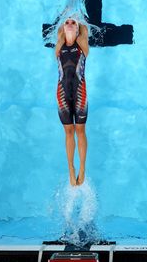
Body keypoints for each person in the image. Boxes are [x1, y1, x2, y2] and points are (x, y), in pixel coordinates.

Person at [55, 16, 90, 186]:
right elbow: (61, 28)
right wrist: (67, 17)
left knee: (80, 131)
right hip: (62, 95)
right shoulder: (59, 45)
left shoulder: (82, 44)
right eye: (66, 22)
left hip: (80, 94)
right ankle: (71, 168)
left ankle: (82, 167)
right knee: (68, 132)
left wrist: (75, 16)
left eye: (73, 23)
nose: (69, 24)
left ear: (78, 29)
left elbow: (84, 26)